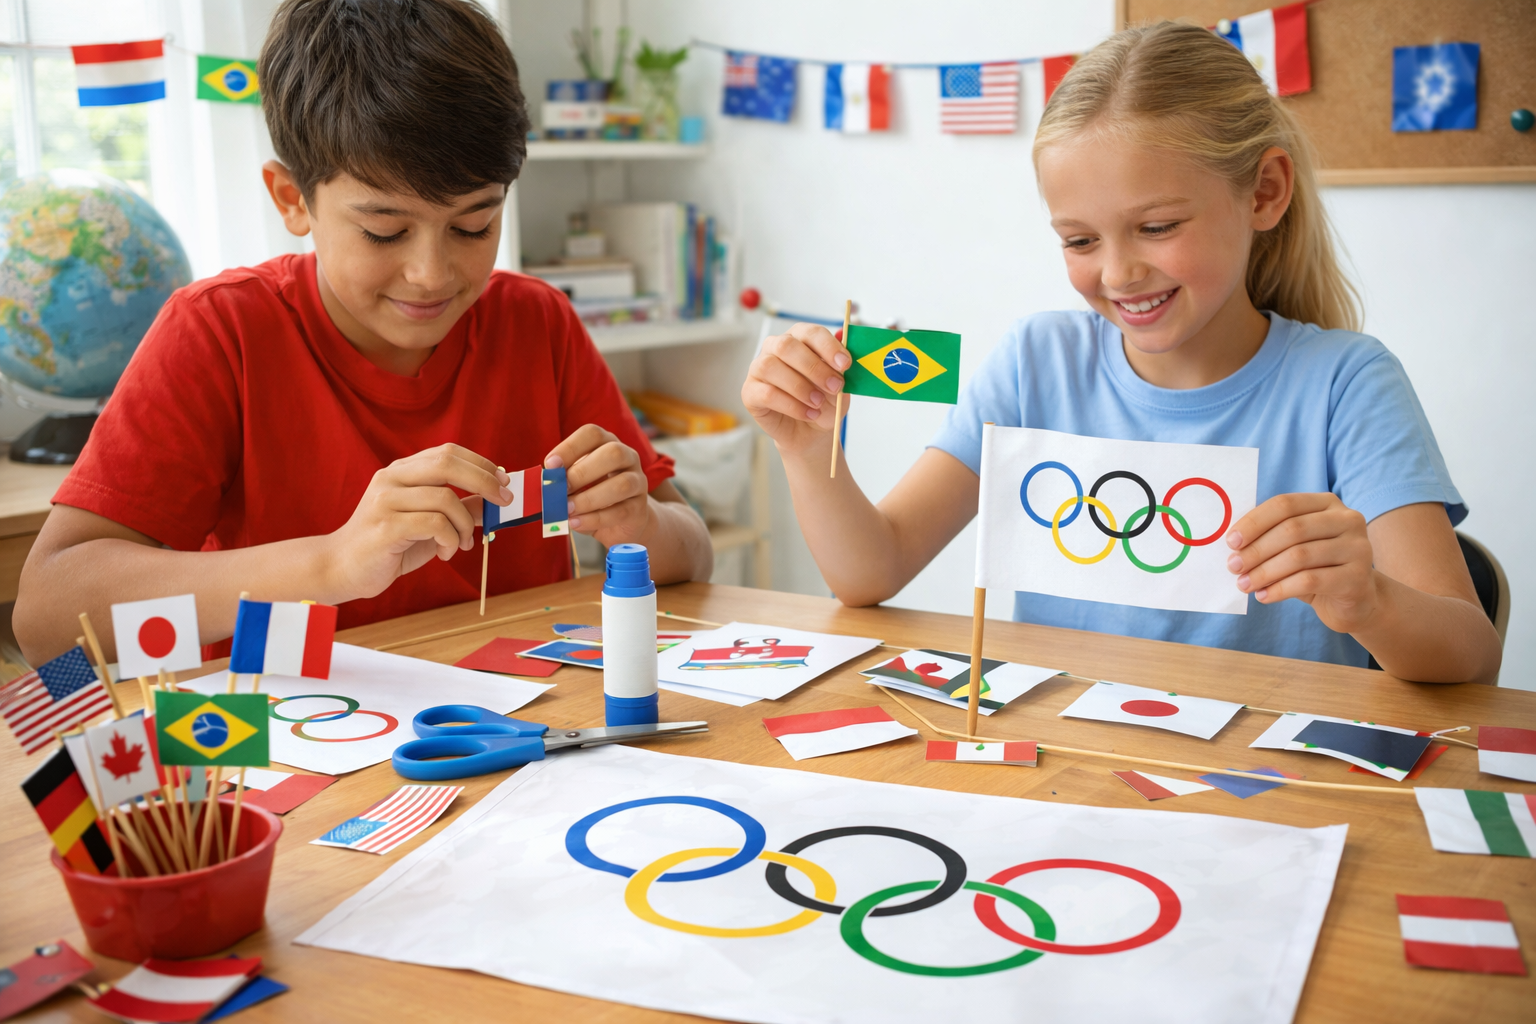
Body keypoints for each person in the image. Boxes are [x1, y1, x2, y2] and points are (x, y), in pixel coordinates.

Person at [742, 22, 1500, 684]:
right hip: (1061, 769)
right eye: (1078, 240)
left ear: (1265, 192)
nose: (1117, 273)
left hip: (1262, 785)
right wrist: (809, 448)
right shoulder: (1036, 361)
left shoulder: (1347, 384)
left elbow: (1472, 653)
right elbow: (870, 571)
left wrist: (1368, 599)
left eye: (1159, 226)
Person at [15, 0, 712, 664]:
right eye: (384, 230)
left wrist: (642, 526)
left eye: (473, 225)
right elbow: (48, 617)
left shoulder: (536, 321)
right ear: (293, 199)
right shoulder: (220, 331)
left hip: (528, 738)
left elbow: (693, 552)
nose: (431, 273)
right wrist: (334, 562)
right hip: (299, 746)